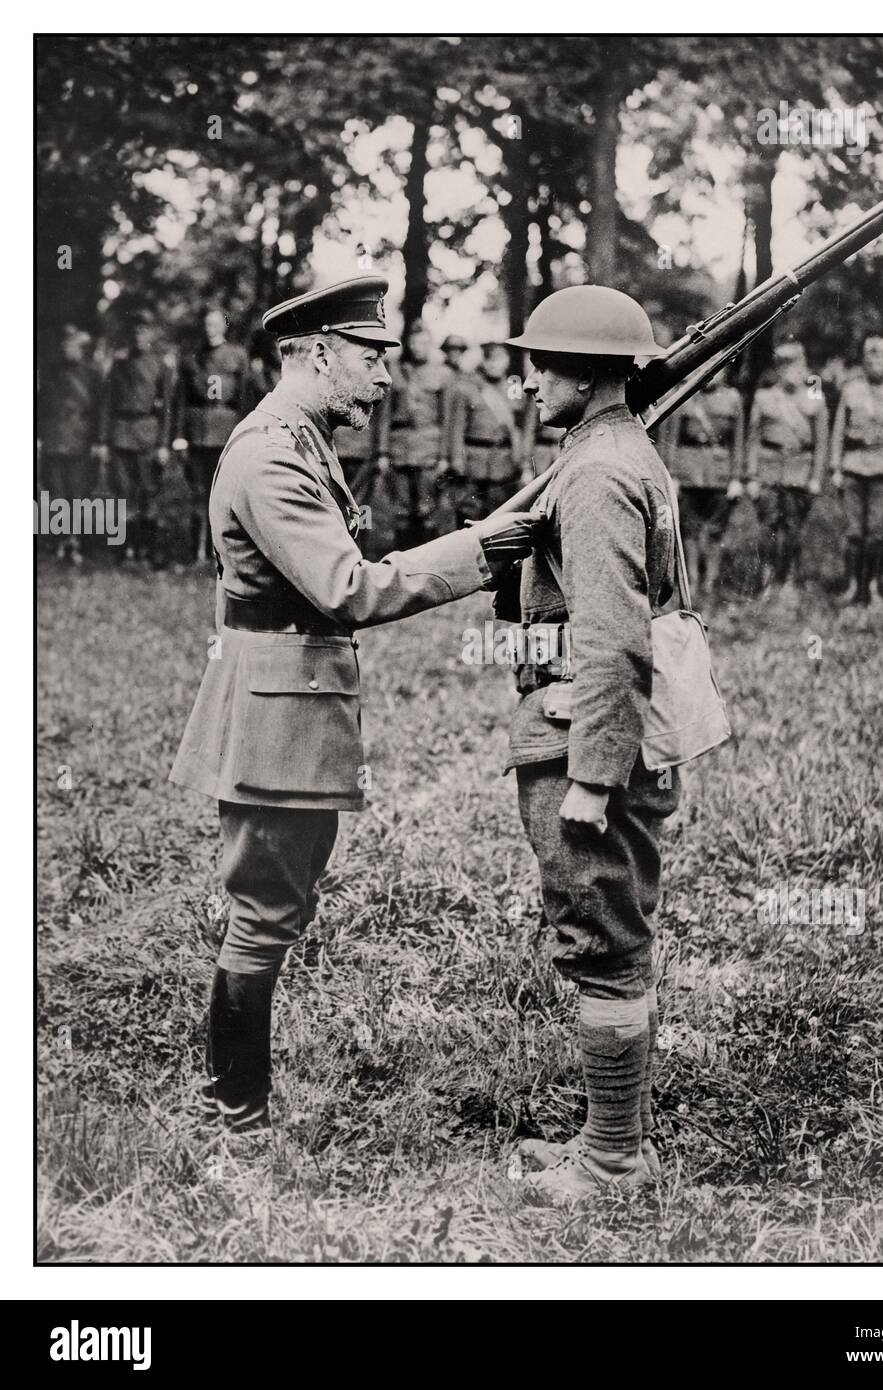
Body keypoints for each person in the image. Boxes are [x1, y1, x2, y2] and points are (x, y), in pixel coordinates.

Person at [169, 275, 537, 1134]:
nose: (385, 378)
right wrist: (478, 550)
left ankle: (234, 1101)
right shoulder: (271, 451)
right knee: (263, 909)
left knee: (277, 904)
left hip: (294, 693)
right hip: (277, 703)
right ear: (318, 352)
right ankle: (234, 1111)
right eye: (371, 358)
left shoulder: (300, 439)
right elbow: (347, 587)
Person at [499, 285, 681, 1203]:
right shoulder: (609, 452)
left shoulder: (601, 472)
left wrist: (594, 778)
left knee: (602, 938)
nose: (528, 380)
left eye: (541, 363)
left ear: (586, 370)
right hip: (582, 724)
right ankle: (612, 1143)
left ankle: (611, 1163)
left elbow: (614, 636)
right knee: (610, 932)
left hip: (583, 734)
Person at [828, 334, 883, 606]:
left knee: (877, 532)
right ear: (863, 361)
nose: (876, 361)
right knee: (854, 531)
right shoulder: (850, 390)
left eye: (881, 356)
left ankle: (875, 588)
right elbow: (839, 429)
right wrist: (835, 466)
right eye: (870, 356)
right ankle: (854, 587)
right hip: (854, 466)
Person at [745, 340, 828, 594]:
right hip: (769, 470)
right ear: (777, 369)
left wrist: (815, 477)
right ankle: (768, 579)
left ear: (803, 366)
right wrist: (751, 476)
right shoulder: (764, 397)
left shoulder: (814, 398)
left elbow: (821, 443)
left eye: (795, 364)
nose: (790, 371)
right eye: (784, 365)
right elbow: (753, 439)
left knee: (793, 528)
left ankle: (790, 579)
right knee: (768, 527)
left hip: (799, 471)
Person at [173, 308, 253, 564]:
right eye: (207, 324)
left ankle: (218, 549)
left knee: (223, 493)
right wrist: (179, 435)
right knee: (198, 491)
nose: (211, 329)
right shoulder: (191, 357)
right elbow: (180, 400)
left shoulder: (238, 356)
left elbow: (243, 399)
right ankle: (196, 550)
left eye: (216, 324)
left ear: (224, 327)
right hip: (197, 431)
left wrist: (244, 433)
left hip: (225, 430)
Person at [654, 371, 745, 596]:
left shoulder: (732, 399)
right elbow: (670, 439)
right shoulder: (683, 395)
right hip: (688, 473)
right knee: (689, 530)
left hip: (719, 474)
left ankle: (710, 582)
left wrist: (735, 477)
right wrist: (671, 475)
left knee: (716, 530)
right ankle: (691, 580)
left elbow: (738, 442)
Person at [97, 307, 176, 565]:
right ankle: (124, 549)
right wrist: (103, 440)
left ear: (151, 334)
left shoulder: (160, 365)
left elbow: (167, 407)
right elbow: (106, 404)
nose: (139, 336)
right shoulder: (119, 365)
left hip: (147, 434)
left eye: (143, 332)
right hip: (120, 433)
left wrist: (164, 443)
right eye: (135, 332)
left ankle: (149, 549)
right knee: (122, 492)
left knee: (149, 491)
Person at [373, 321, 450, 546]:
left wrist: (444, 456)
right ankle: (402, 560)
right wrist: (383, 452)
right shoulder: (396, 372)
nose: (418, 347)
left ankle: (427, 562)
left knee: (427, 510)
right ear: (408, 343)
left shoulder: (443, 374)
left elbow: (446, 420)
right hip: (400, 450)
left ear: (431, 345)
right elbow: (385, 416)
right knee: (402, 511)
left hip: (429, 450)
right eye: (414, 342)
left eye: (424, 342)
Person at [36, 325, 103, 563]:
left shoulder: (92, 375)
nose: (68, 349)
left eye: (72, 345)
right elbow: (41, 407)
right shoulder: (51, 373)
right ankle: (61, 539)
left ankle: (76, 540)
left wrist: (98, 440)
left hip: (80, 440)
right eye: (65, 345)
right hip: (54, 439)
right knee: (56, 491)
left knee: (78, 493)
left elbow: (99, 411)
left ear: (81, 348)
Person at [446, 342, 523, 523]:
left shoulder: (514, 388)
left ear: (507, 361)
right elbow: (457, 427)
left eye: (499, 360)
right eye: (489, 360)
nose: (493, 365)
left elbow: (518, 425)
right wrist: (457, 461)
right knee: (469, 513)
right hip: (474, 461)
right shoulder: (469, 388)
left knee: (499, 514)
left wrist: (520, 458)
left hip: (503, 461)